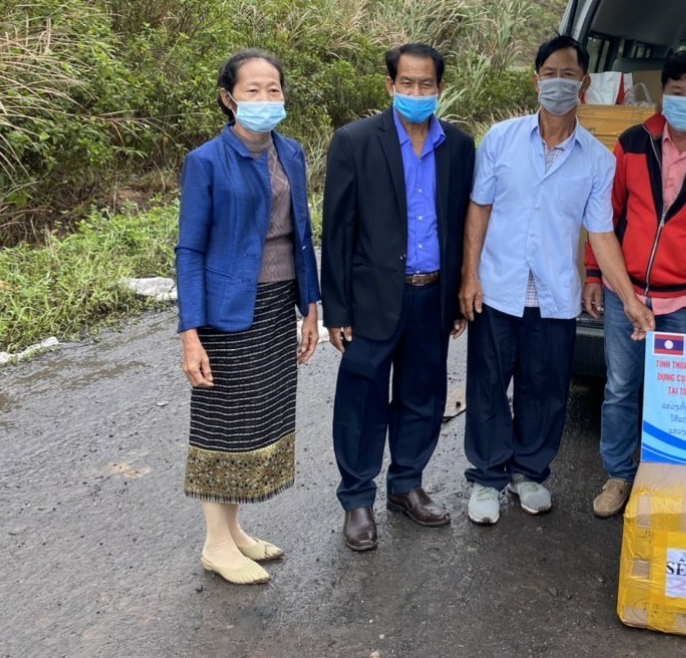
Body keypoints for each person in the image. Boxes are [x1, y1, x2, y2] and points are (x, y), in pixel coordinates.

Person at [459, 35, 656, 525]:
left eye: (570, 76)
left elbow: (602, 233)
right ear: (536, 79)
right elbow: (478, 209)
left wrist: (630, 299)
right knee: (488, 385)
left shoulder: (597, 159)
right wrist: (469, 276)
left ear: (585, 85)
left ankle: (528, 472)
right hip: (498, 286)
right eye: (551, 73)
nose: (559, 84)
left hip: (554, 295)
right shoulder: (501, 140)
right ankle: (486, 477)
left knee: (545, 389)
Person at [321, 43, 475, 551]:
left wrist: (456, 294)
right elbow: (338, 231)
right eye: (406, 84)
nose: (416, 92)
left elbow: (458, 226)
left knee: (423, 396)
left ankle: (406, 484)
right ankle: (358, 499)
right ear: (390, 86)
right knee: (362, 399)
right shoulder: (356, 141)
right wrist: (336, 309)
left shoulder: (458, 145)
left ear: (439, 88)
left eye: (425, 85)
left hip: (431, 296)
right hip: (371, 299)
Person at [176, 50, 321, 585]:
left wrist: (311, 307)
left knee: (260, 418)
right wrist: (190, 334)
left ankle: (234, 533)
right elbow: (189, 250)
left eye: (273, 89)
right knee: (225, 423)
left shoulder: (292, 153)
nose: (264, 99)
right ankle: (215, 544)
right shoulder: (207, 161)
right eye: (252, 90)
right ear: (228, 97)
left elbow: (302, 236)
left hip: (278, 304)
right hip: (226, 313)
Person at [582, 49, 686, 518]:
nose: (685, 101)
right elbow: (605, 216)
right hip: (623, 293)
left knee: (675, 394)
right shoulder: (634, 143)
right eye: (677, 92)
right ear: (664, 94)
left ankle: (667, 479)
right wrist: (596, 273)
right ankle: (619, 475)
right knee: (619, 387)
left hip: (685, 302)